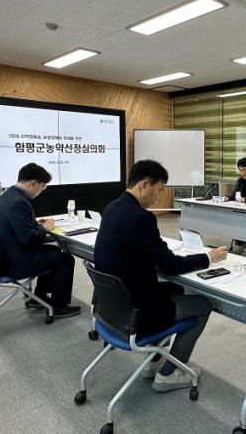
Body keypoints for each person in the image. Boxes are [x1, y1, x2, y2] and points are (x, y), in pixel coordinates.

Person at [94, 160, 228, 392]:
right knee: (203, 305)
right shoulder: (141, 217)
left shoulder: (112, 208)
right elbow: (168, 266)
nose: (158, 197)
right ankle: (169, 373)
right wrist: (209, 257)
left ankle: (152, 361)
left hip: (112, 309)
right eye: (159, 190)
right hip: (138, 312)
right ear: (144, 185)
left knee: (176, 289)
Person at [0, 163, 80, 318]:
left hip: (4, 255)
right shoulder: (19, 202)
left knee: (54, 251)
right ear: (34, 183)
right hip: (16, 262)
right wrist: (45, 228)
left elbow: (15, 227)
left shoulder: (6, 196)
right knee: (65, 260)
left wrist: (34, 224)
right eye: (43, 186)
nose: (42, 190)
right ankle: (59, 307)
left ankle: (39, 297)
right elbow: (29, 238)